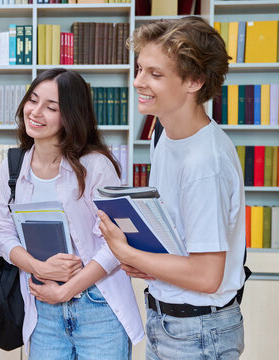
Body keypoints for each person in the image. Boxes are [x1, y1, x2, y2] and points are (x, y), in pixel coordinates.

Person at [98, 17, 246, 359]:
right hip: (166, 320)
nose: (138, 82)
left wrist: (127, 254)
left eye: (155, 74)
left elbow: (208, 275)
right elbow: (180, 237)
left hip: (199, 333)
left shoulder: (204, 164)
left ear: (195, 81)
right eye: (139, 69)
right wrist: (148, 264)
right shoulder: (162, 133)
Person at [0, 68, 144, 360]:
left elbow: (115, 244)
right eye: (32, 100)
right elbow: (2, 232)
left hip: (97, 304)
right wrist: (38, 267)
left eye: (51, 107)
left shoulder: (96, 166)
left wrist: (67, 289)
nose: (35, 112)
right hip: (43, 309)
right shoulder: (12, 164)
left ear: (71, 116)